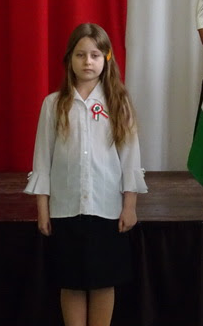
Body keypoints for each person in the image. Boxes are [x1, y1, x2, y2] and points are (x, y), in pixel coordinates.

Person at [24, 23, 147, 326]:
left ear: (106, 58)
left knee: (103, 282)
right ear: (70, 59)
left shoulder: (118, 103)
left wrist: (130, 206)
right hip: (66, 210)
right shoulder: (54, 104)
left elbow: (130, 159)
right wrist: (43, 209)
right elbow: (43, 159)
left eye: (94, 55)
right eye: (80, 55)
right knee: (71, 282)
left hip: (106, 209)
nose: (87, 62)